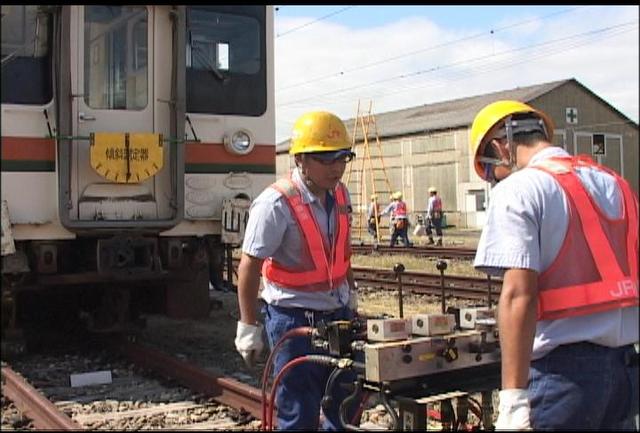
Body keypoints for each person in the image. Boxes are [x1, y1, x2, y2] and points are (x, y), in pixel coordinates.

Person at [470, 100, 639, 430]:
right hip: (626, 372)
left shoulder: (520, 190)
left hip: (562, 378)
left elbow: (519, 296)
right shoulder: (615, 183)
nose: (494, 180)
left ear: (500, 146)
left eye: (490, 171)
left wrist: (513, 399)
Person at [234, 111, 359, 431]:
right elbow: (249, 265)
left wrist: (352, 293)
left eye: (342, 157)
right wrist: (248, 325)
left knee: (346, 406)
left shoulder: (341, 194)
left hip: (339, 317)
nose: (336, 166)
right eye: (325, 158)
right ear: (301, 159)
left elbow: (341, 251)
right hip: (293, 320)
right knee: (299, 413)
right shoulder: (275, 204)